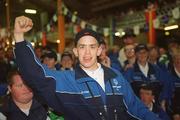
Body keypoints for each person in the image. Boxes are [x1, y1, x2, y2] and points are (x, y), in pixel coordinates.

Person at [14, 16, 161, 120]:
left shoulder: (116, 76)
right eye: (82, 47)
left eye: (92, 47)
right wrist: (19, 36)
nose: (87, 52)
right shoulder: (66, 80)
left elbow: (136, 108)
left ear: (99, 50)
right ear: (76, 52)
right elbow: (34, 75)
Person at [124, 44, 171, 111]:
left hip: (156, 106)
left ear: (148, 53)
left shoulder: (156, 69)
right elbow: (125, 88)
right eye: (139, 53)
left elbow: (167, 84)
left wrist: (163, 100)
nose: (142, 55)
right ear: (136, 54)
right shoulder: (131, 70)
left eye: (144, 52)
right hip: (137, 107)